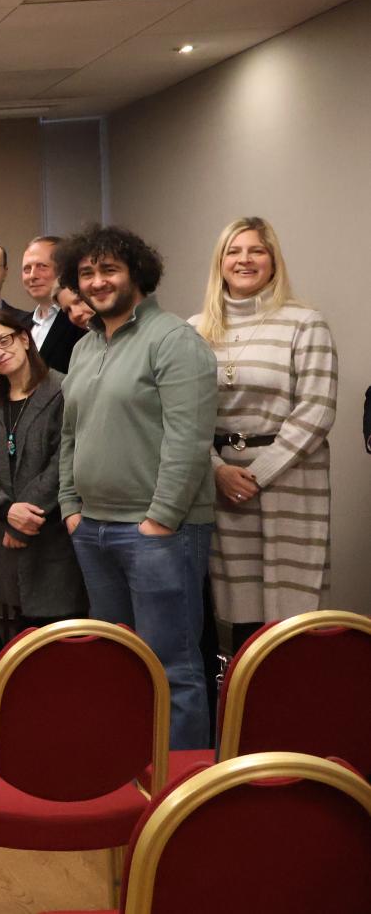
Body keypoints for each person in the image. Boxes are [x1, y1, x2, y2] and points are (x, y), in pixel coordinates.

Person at [57, 225, 218, 750]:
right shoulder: (85, 347)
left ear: (137, 274)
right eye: (87, 273)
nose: (97, 282)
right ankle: (129, 770)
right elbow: (70, 433)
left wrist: (161, 519)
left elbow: (189, 440)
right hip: (93, 528)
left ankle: (182, 787)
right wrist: (70, 506)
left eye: (109, 270)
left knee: (173, 668)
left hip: (159, 534)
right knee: (118, 662)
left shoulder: (175, 340)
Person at [190, 217, 337, 647]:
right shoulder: (194, 330)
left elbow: (317, 408)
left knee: (292, 617)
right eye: (233, 251)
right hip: (223, 485)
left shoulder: (304, 322)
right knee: (239, 617)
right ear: (220, 262)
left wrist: (257, 475)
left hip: (290, 480)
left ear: (273, 261)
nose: (245, 260)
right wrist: (217, 471)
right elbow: (184, 416)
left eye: (256, 250)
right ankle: (242, 691)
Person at [0, 310, 83, 642]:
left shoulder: (63, 390)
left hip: (52, 535)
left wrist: (24, 515)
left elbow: (64, 460)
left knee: (62, 639)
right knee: (22, 640)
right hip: (5, 536)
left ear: (23, 338)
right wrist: (7, 511)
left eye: (3, 341)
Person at [20, 238, 85, 373]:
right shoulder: (20, 325)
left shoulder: (83, 320)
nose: (32, 276)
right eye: (27, 269)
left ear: (65, 269)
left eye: (42, 266)